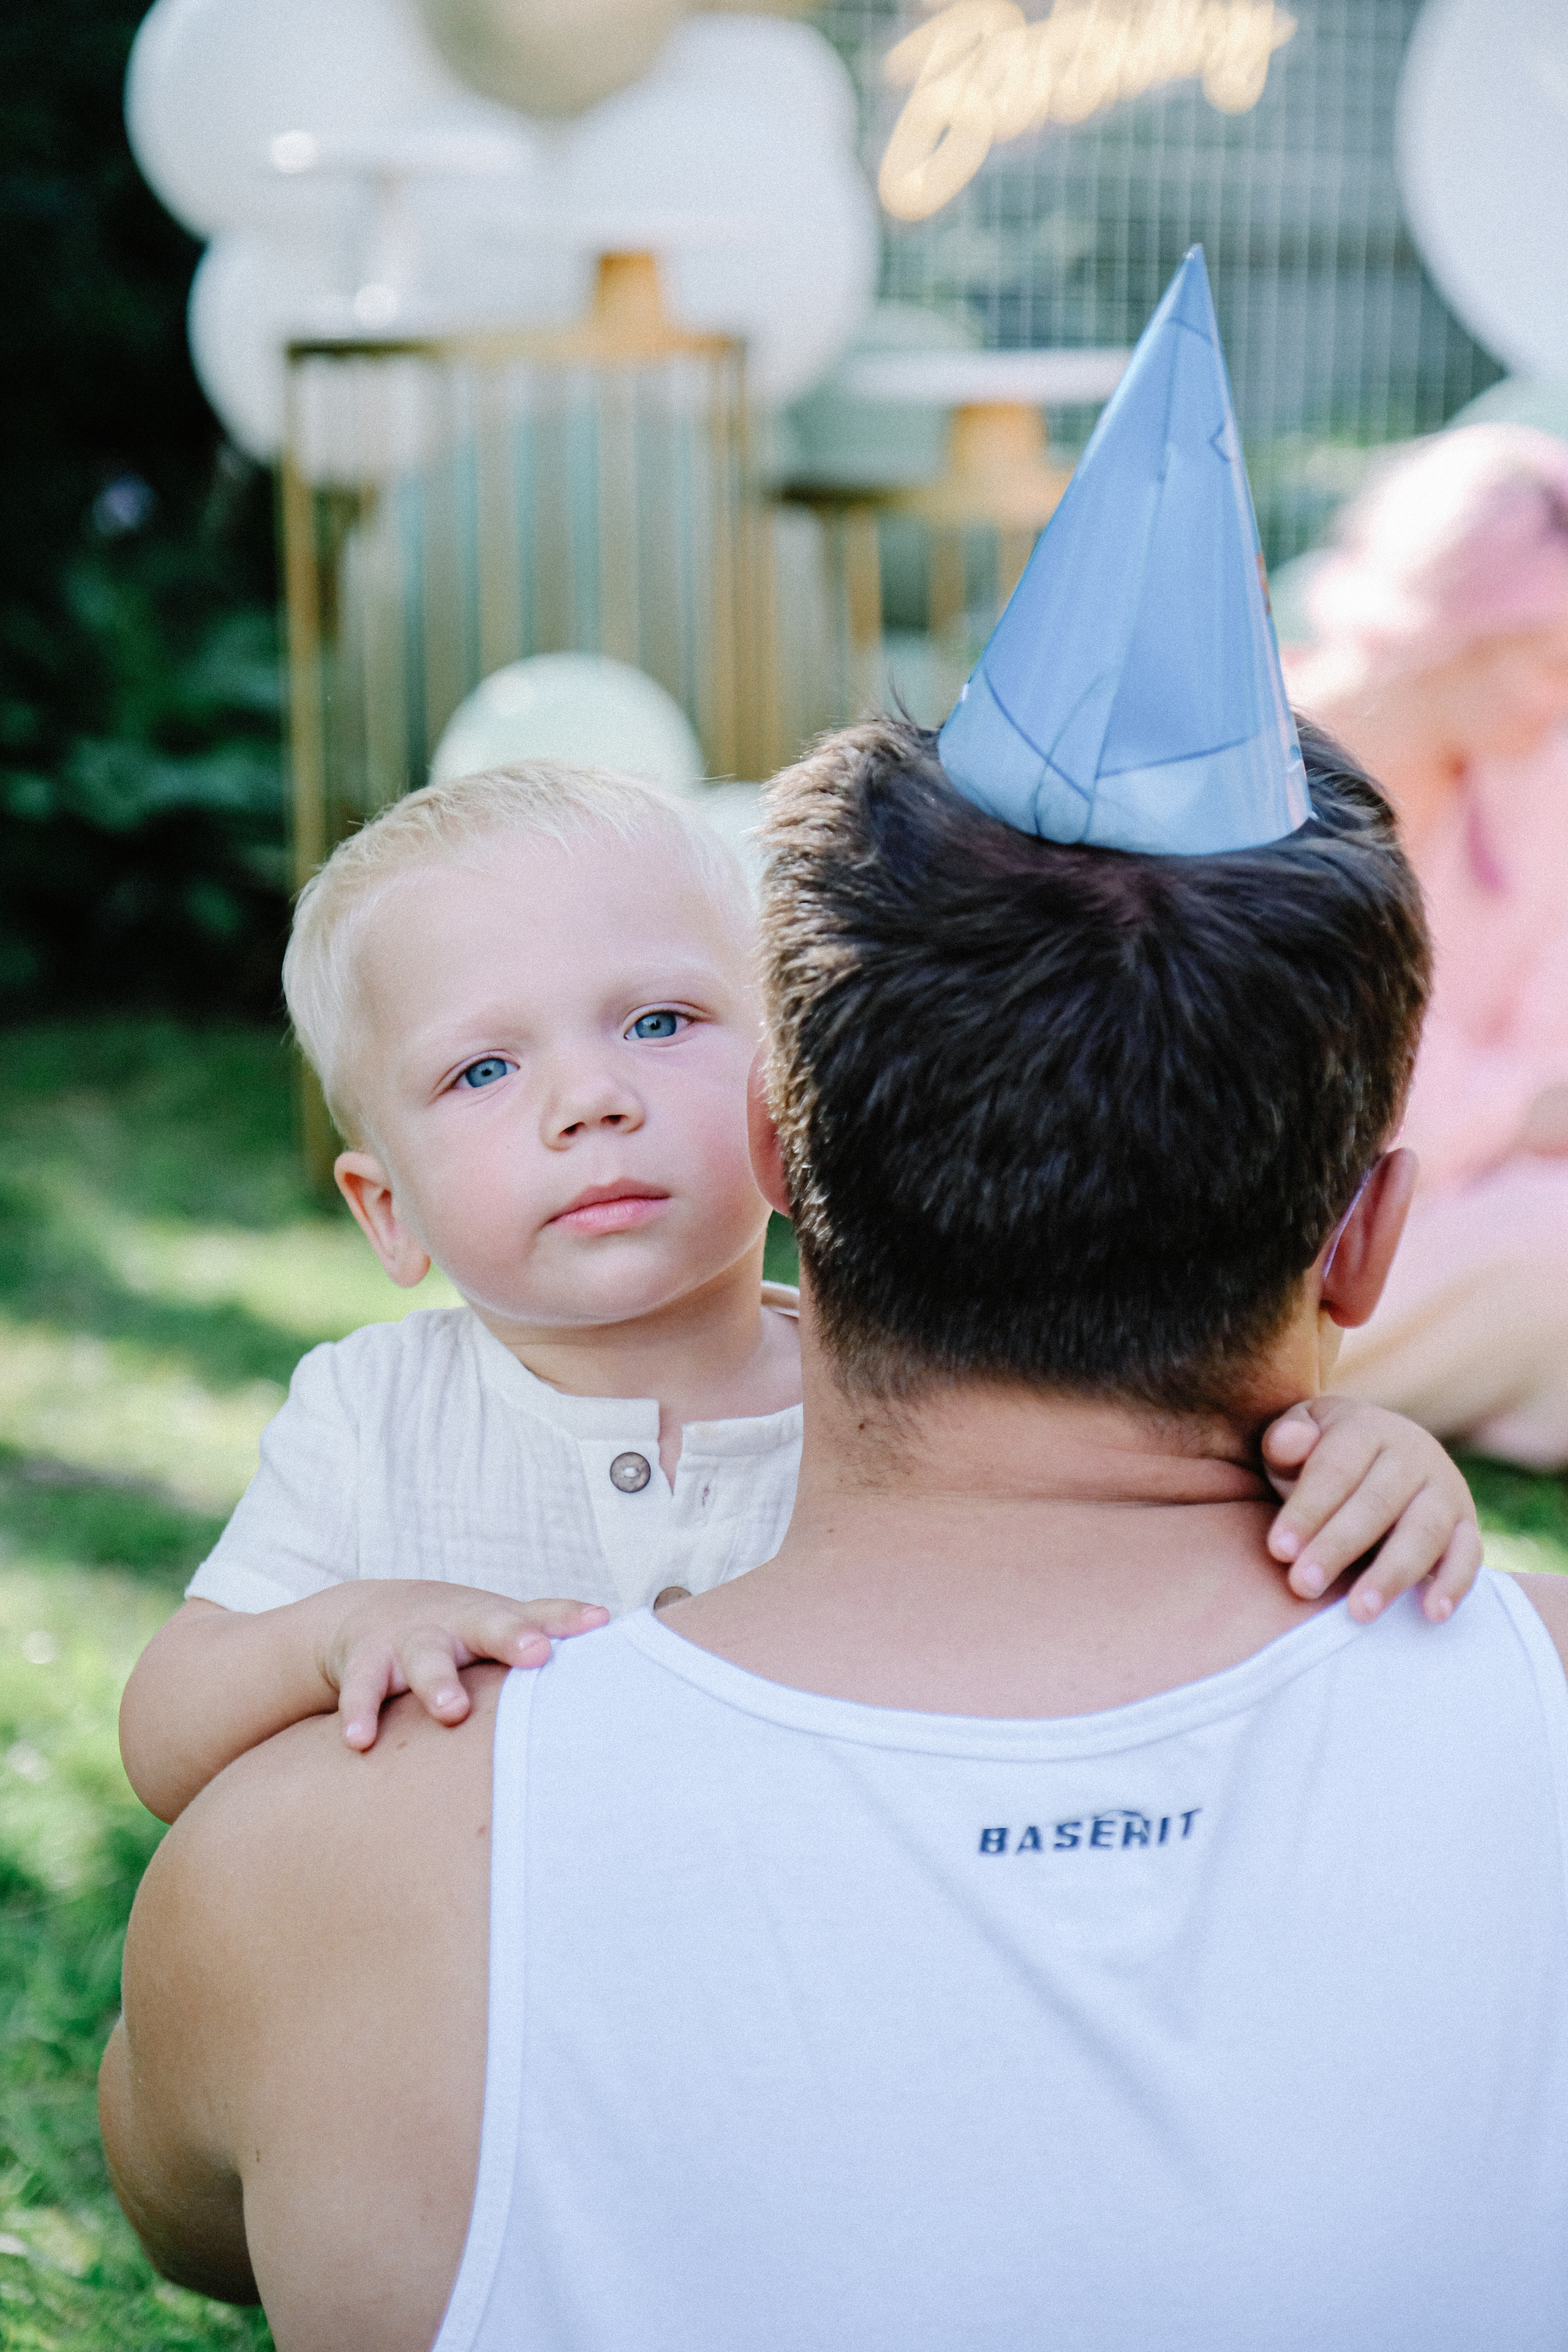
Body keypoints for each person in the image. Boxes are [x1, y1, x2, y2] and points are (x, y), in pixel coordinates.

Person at [100, 251, 1567, 2351]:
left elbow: (182, 2221)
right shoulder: (1532, 1698)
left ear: (784, 1155)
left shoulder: (316, 1882)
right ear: (1362, 1244)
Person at [119, 760, 1476, 1825]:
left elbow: (1156, 1517)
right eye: (483, 1072)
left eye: (660, 1022)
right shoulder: (370, 1417)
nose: (591, 1100)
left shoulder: (892, 1389)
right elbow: (164, 1734)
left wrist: (1359, 1453)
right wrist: (336, 1634)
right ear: (386, 1209)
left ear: (788, 1099)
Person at [1284, 424, 1568, 1466]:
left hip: (1455, 1202)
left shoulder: (1532, 775)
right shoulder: (1262, 780)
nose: (1564, 696)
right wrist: (1519, 1112)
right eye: (1549, 661)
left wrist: (1515, 1111)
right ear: (1453, 626)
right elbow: (1318, 1089)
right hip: (1269, 1234)